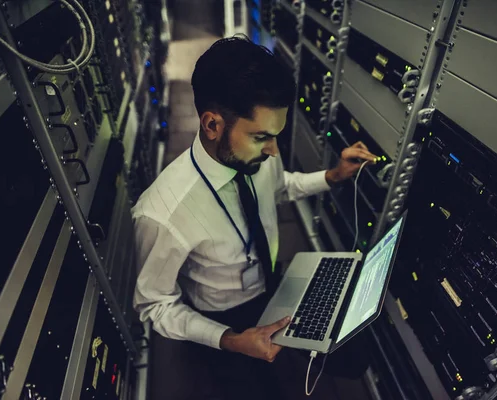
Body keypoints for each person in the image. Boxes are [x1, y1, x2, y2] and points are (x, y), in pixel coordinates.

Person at [132, 36, 377, 400]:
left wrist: (332, 176)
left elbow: (280, 188)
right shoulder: (161, 213)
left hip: (272, 283)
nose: (274, 150)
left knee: (354, 354)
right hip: (223, 317)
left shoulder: (255, 158)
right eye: (262, 136)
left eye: (275, 136)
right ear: (212, 125)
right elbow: (155, 304)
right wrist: (229, 340)